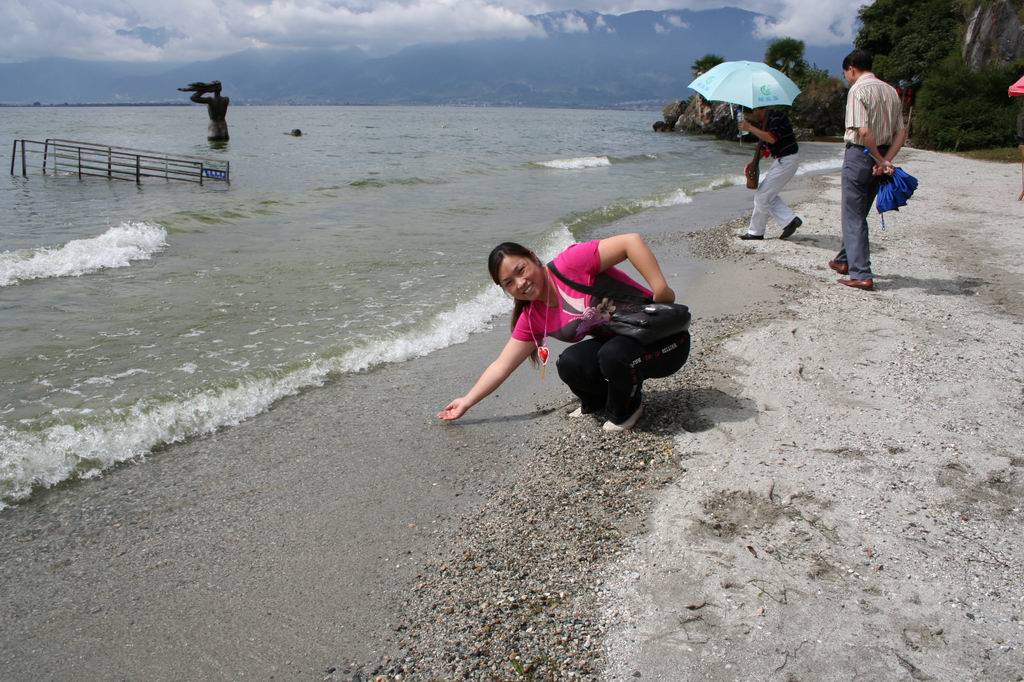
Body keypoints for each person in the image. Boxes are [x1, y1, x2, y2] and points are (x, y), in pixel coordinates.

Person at [438, 235, 689, 432]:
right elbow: (502, 365)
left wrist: (660, 288)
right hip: (621, 349)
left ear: (533, 257)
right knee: (569, 362)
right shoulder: (533, 315)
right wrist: (467, 401)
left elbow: (629, 242)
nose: (520, 283)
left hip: (664, 341)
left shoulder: (570, 263)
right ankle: (602, 402)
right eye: (509, 283)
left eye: (520, 270)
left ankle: (627, 408)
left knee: (613, 355)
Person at [830, 50, 907, 291]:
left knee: (852, 214)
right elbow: (902, 133)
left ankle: (861, 273)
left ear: (852, 68)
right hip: (881, 155)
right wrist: (885, 160)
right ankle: (844, 260)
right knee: (859, 211)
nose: (847, 78)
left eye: (846, 74)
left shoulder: (858, 90)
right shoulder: (890, 91)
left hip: (861, 155)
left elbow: (863, 132)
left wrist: (877, 157)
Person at [737, 107, 802, 240]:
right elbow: (766, 146)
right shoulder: (765, 121)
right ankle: (790, 220)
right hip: (782, 160)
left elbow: (772, 138)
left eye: (747, 115)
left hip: (787, 160)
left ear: (755, 110)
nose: (747, 119)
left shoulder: (776, 116)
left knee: (762, 196)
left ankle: (756, 233)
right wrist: (753, 162)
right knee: (766, 195)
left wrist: (750, 128)